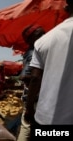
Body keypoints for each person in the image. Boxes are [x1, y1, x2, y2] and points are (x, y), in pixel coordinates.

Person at [25, 0, 73, 137]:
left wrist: (29, 109)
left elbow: (35, 78)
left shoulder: (42, 42)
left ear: (66, 7)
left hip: (45, 119)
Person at [16, 24, 45, 141]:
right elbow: (26, 76)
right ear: (31, 38)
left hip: (38, 97)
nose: (44, 36)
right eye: (40, 34)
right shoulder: (33, 52)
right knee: (27, 126)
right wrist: (29, 106)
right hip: (34, 97)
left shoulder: (39, 50)